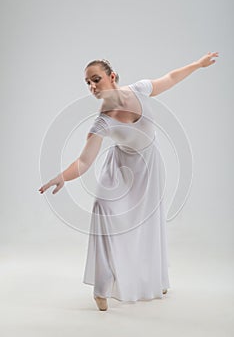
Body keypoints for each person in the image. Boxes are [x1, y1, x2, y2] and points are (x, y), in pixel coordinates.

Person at [39, 52, 219, 311]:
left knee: (148, 224)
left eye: (96, 80)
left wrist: (198, 65)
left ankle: (155, 280)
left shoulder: (140, 90)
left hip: (149, 169)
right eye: (88, 83)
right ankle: (102, 287)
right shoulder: (102, 122)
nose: (92, 87)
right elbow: (84, 161)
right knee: (103, 212)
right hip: (119, 172)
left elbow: (170, 78)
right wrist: (61, 177)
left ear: (112, 77)